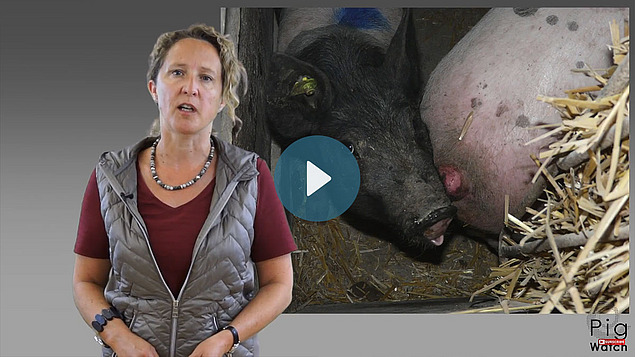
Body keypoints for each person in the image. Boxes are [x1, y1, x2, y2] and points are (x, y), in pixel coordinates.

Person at [72, 24, 297, 357]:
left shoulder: (251, 176)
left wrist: (228, 339)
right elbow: (85, 281)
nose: (190, 87)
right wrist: (118, 337)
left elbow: (281, 285)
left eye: (206, 78)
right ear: (154, 87)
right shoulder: (110, 176)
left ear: (222, 99)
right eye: (177, 72)